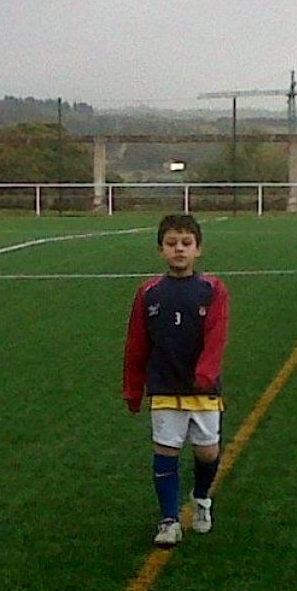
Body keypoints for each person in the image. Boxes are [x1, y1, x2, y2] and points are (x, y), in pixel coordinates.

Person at [123, 214, 230, 548]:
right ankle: (169, 518)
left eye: (186, 243)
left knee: (207, 452)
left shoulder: (212, 289)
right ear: (161, 251)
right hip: (164, 385)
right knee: (165, 450)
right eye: (172, 244)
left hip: (203, 389)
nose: (179, 250)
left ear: (198, 249)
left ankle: (201, 499)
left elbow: (217, 335)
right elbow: (137, 343)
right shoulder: (149, 293)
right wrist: (132, 387)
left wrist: (206, 373)